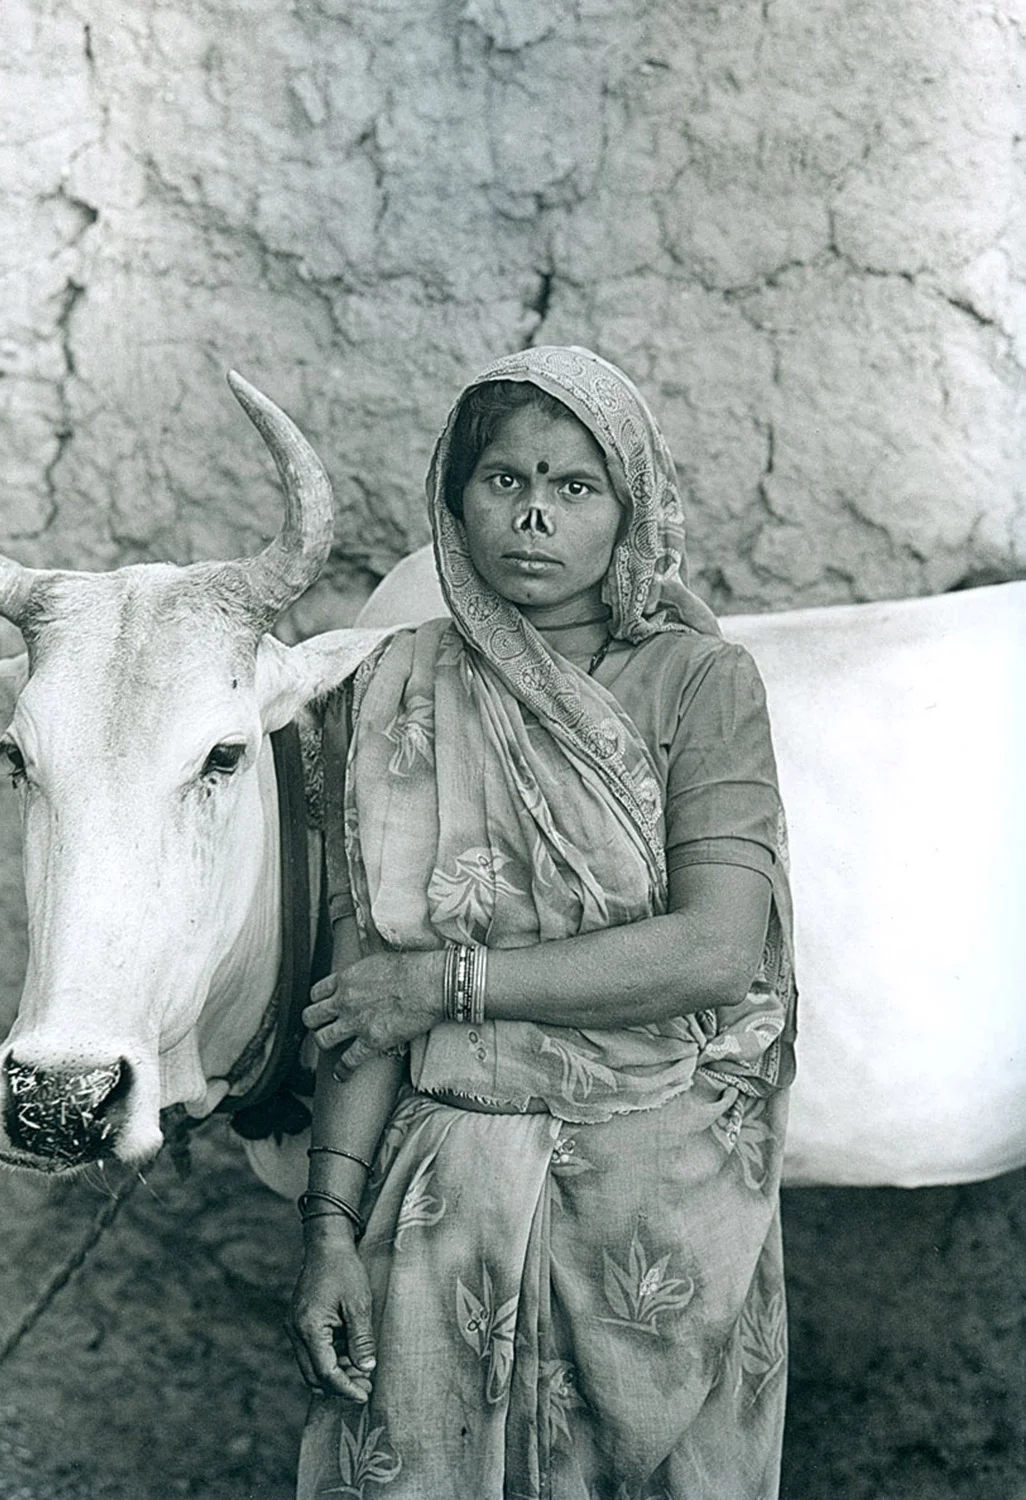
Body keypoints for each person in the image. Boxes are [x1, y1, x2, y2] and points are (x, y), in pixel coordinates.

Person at [289, 345, 796, 1500]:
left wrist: (451, 986)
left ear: (630, 509)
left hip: (654, 1200)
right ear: (454, 500)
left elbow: (714, 947)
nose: (531, 513)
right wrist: (326, 1226)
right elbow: (364, 983)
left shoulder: (701, 686)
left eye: (574, 486)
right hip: (441, 1199)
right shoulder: (389, 692)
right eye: (502, 480)